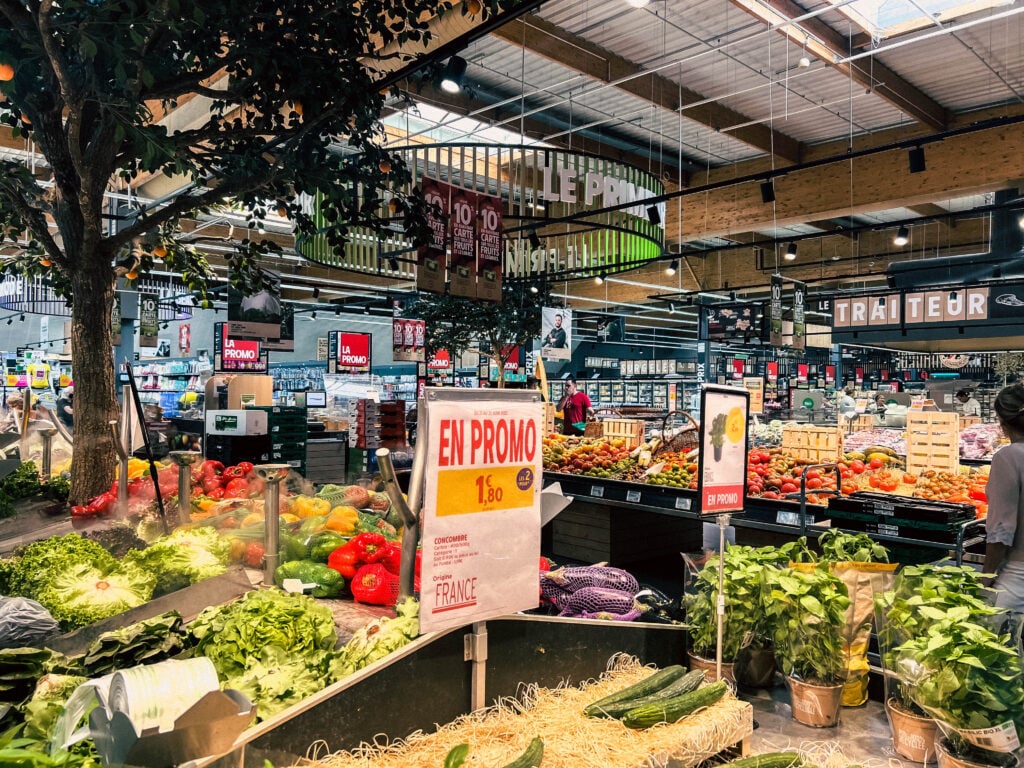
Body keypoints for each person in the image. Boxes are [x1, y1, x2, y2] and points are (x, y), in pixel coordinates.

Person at [982, 382, 1024, 611]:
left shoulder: (1009, 458)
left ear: (1002, 422)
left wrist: (986, 578)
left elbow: (1001, 529)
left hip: (1018, 577)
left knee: (996, 641)